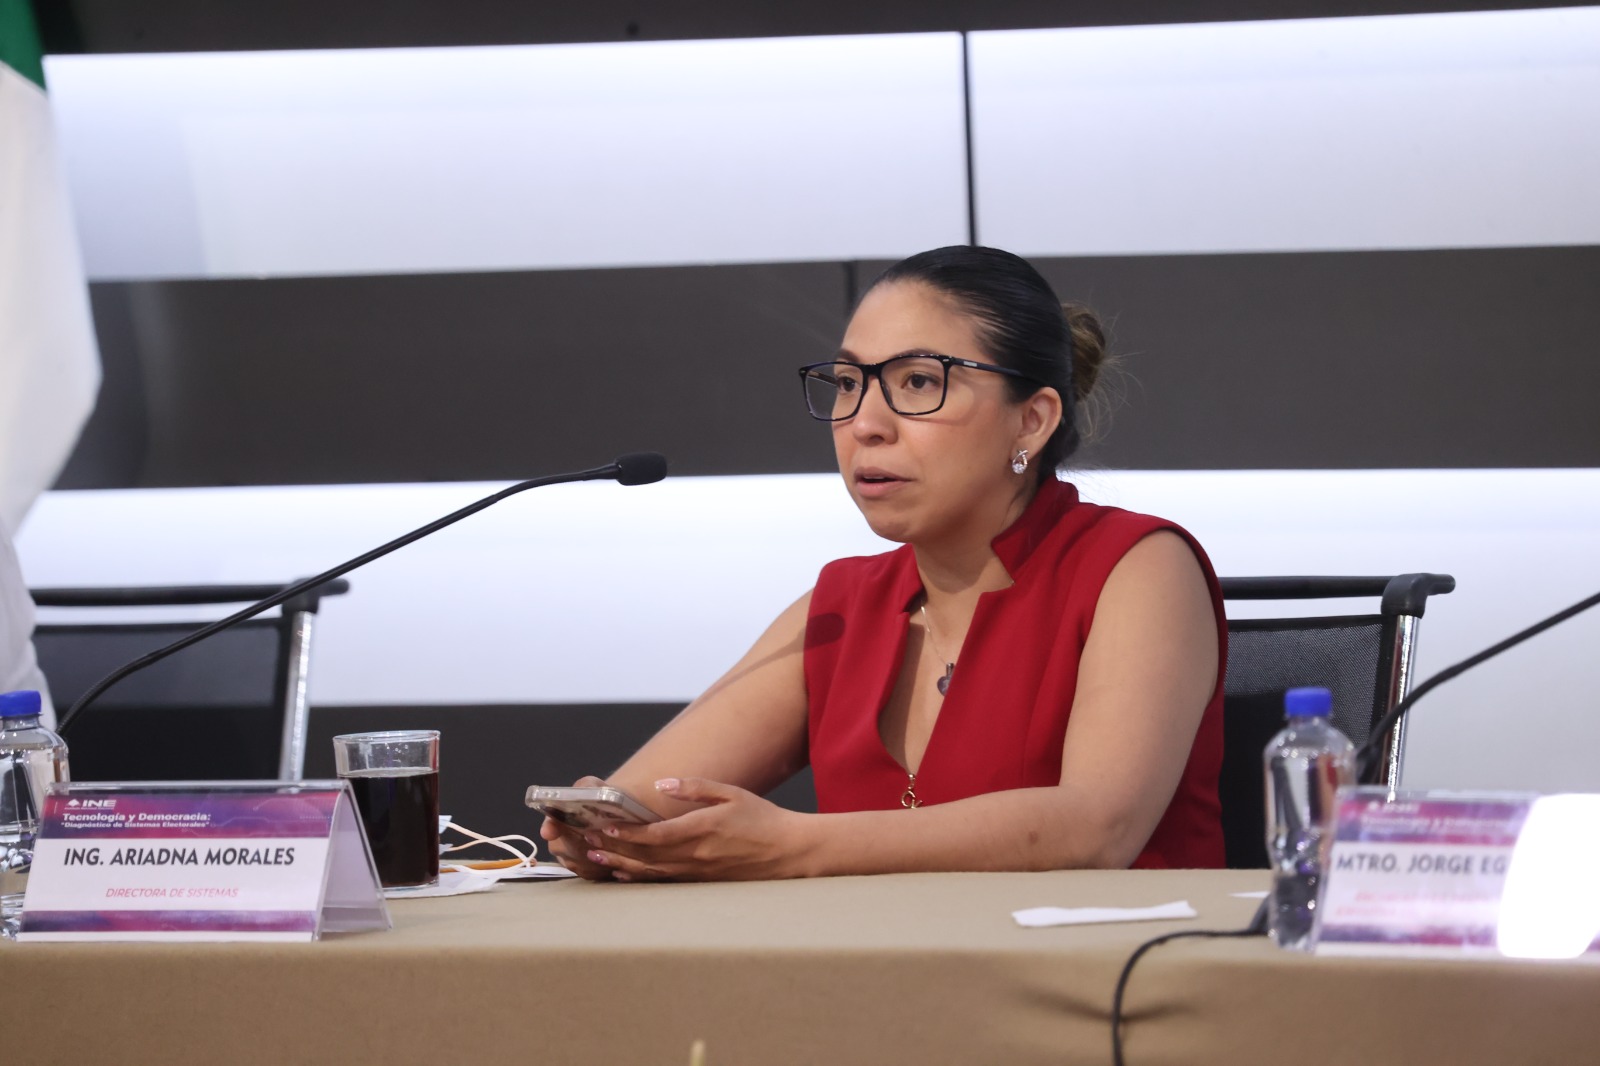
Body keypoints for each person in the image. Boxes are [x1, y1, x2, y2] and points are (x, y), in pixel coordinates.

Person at [541, 245, 1225, 880]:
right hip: (878, 970)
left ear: (1032, 421)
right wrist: (608, 830)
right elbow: (650, 797)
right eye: (848, 383)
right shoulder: (841, 606)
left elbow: (1097, 828)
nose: (865, 423)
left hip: (1107, 964)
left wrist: (792, 845)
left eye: (918, 381)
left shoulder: (1139, 568)